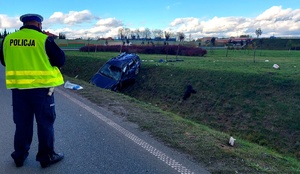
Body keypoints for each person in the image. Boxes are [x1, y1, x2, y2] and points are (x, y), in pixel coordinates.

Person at [0, 13, 65, 168]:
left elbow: (3, 61)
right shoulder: (43, 39)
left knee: (22, 124)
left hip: (19, 90)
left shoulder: (8, 39)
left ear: (23, 23)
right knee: (45, 124)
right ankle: (46, 157)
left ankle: (19, 157)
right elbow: (60, 60)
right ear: (39, 24)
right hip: (42, 90)